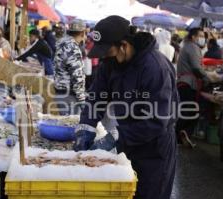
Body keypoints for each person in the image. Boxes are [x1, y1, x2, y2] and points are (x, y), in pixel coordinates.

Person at [73, 16, 178, 199]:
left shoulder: (154, 68)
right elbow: (97, 96)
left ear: (124, 45)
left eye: (108, 52)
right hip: (128, 144)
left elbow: (157, 120)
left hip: (154, 148)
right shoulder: (111, 63)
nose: (105, 58)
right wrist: (86, 127)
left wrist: (116, 137)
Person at [176, 27, 212, 147]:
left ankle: (182, 135)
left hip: (185, 82)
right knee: (191, 111)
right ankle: (178, 135)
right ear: (193, 37)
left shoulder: (188, 46)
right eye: (201, 36)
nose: (203, 39)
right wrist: (207, 78)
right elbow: (196, 67)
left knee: (188, 111)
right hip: (187, 83)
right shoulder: (193, 47)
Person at [54, 19, 87, 115]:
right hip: (69, 95)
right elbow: (77, 76)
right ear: (82, 33)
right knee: (71, 126)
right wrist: (82, 100)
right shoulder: (73, 48)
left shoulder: (62, 44)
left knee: (65, 124)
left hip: (60, 92)